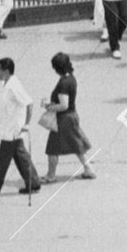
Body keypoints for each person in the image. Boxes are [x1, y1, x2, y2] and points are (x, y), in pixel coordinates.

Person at [0, 58, 40, 200]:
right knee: (21, 157)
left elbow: (29, 103)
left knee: (1, 161)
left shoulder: (13, 86)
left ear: (6, 71)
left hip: (12, 131)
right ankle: (34, 183)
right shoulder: (7, 84)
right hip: (8, 128)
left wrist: (26, 124)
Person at [41, 53, 96, 182]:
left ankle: (51, 175)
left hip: (63, 119)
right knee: (76, 145)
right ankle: (89, 169)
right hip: (72, 116)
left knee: (52, 148)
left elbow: (64, 105)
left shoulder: (63, 83)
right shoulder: (71, 78)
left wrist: (48, 107)